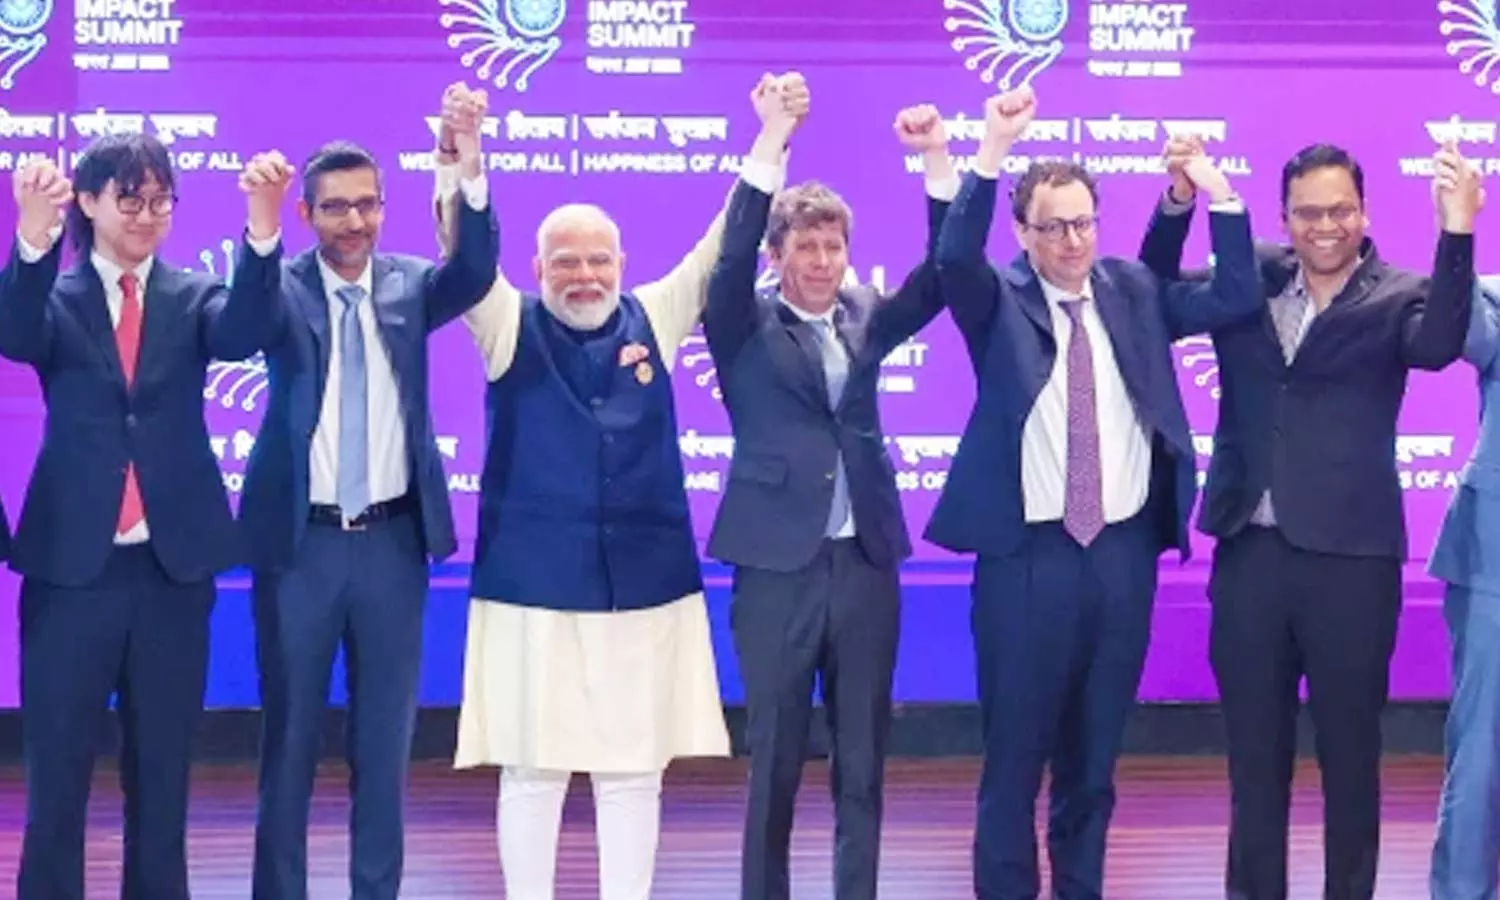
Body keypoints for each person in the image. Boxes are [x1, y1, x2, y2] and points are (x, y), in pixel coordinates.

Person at [428, 76, 801, 900]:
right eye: (565, 261)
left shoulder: (655, 316)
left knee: (633, 773)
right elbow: (466, 259)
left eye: (599, 259)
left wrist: (772, 137)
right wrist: (465, 160)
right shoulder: (506, 322)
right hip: (532, 590)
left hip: (643, 585)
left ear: (622, 265)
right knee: (533, 771)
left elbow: (727, 245)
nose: (585, 275)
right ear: (537, 268)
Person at [923, 86, 1262, 900]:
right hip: (1026, 559)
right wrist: (992, 146)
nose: (1072, 241)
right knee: (1014, 759)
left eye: (1083, 223)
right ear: (1023, 232)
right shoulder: (996, 299)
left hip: (1120, 556)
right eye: (1053, 227)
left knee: (1095, 760)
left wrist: (1213, 194)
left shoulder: (1131, 289)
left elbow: (1235, 296)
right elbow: (952, 259)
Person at [1139, 140, 1479, 900]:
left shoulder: (1401, 293)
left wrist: (1457, 229)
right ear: (1284, 217)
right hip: (1249, 556)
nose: (1325, 226)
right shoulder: (1248, 275)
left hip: (1351, 563)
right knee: (1253, 763)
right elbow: (1152, 296)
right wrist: (1178, 202)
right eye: (1308, 213)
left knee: (1351, 761)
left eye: (1340, 211)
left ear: (1364, 213)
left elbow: (1438, 346)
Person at [0, 133, 288, 900]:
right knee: (57, 779)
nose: (147, 215)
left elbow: (245, 333)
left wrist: (263, 226)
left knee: (163, 780)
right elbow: (15, 334)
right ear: (89, 203)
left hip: (172, 571)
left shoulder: (194, 295)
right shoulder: (53, 296)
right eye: (130, 198)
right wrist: (31, 237)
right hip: (71, 572)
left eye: (161, 200)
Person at [240, 83, 498, 900]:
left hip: (392, 545)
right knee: (289, 744)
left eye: (367, 205)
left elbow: (476, 269)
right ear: (308, 214)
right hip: (302, 546)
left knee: (385, 746)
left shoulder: (410, 285)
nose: (354, 222)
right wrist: (259, 229)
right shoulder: (281, 287)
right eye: (335, 208)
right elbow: (243, 320)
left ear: (384, 207)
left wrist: (467, 161)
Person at [701, 84, 956, 900]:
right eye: (805, 247)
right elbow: (730, 255)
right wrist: (771, 139)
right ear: (778, 255)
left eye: (833, 246)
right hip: (778, 567)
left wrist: (937, 162)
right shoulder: (740, 319)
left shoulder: (865, 314)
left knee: (863, 763)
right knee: (775, 759)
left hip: (866, 564)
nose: (821, 261)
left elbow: (940, 279)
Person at [1430, 272, 1500, 900]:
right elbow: (1467, 335)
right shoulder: (1491, 296)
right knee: (1481, 750)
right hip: (1493, 562)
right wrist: (1455, 231)